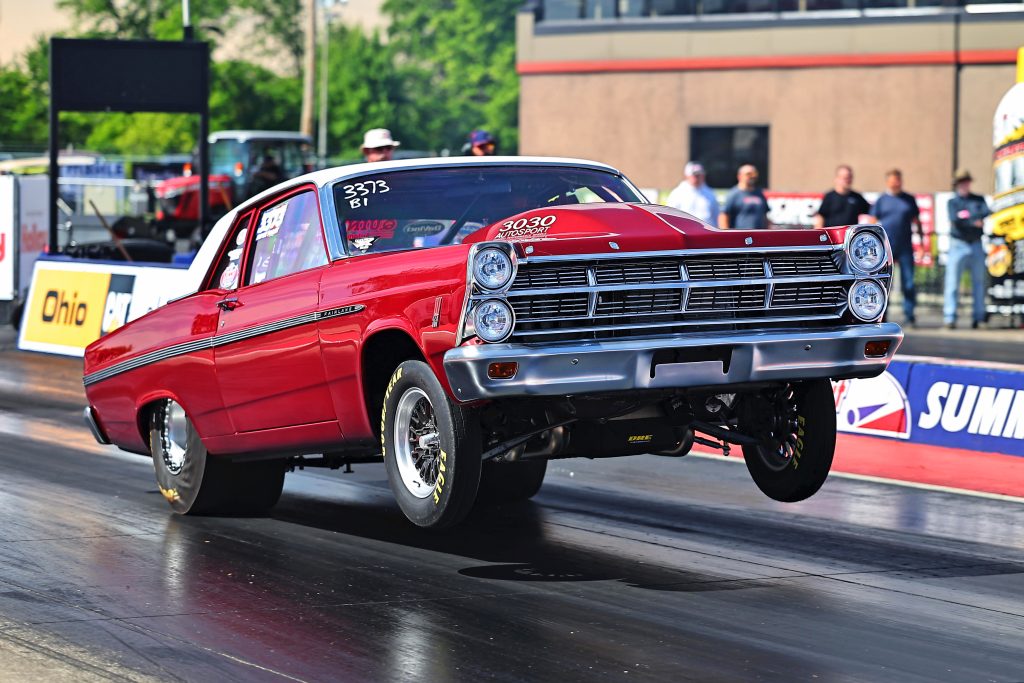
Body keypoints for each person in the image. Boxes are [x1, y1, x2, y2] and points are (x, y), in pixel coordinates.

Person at [871, 169, 921, 326]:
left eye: (898, 180)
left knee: (909, 283)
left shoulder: (909, 200)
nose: (895, 183)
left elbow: (916, 221)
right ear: (887, 181)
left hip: (905, 247)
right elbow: (872, 221)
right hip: (886, 249)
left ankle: (909, 314)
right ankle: (882, 315)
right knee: (885, 283)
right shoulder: (881, 200)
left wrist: (921, 243)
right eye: (892, 180)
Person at [944, 169, 990, 329]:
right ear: (957, 184)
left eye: (967, 181)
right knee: (953, 283)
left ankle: (979, 316)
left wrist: (967, 218)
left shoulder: (978, 199)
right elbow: (954, 220)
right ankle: (950, 317)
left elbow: (986, 212)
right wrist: (973, 220)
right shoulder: (953, 202)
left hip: (976, 243)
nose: (965, 184)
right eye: (962, 182)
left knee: (979, 282)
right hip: (958, 244)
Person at [719, 164, 770, 230]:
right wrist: (725, 235)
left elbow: (765, 216)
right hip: (740, 236)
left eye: (754, 174)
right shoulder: (734, 194)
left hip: (758, 236)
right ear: (739, 176)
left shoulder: (759, 193)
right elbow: (724, 216)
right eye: (749, 174)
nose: (752, 176)